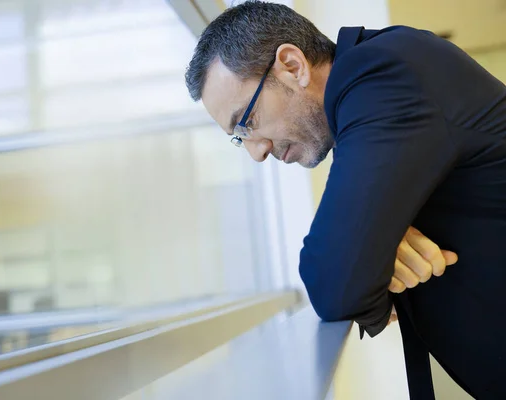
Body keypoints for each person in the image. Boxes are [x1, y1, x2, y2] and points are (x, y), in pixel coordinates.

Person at [184, 1, 506, 399]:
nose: (256, 152)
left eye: (245, 121)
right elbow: (348, 263)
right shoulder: (372, 89)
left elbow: (335, 279)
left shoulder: (382, 74)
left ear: (292, 66)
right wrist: (379, 244)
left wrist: (369, 255)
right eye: (239, 139)